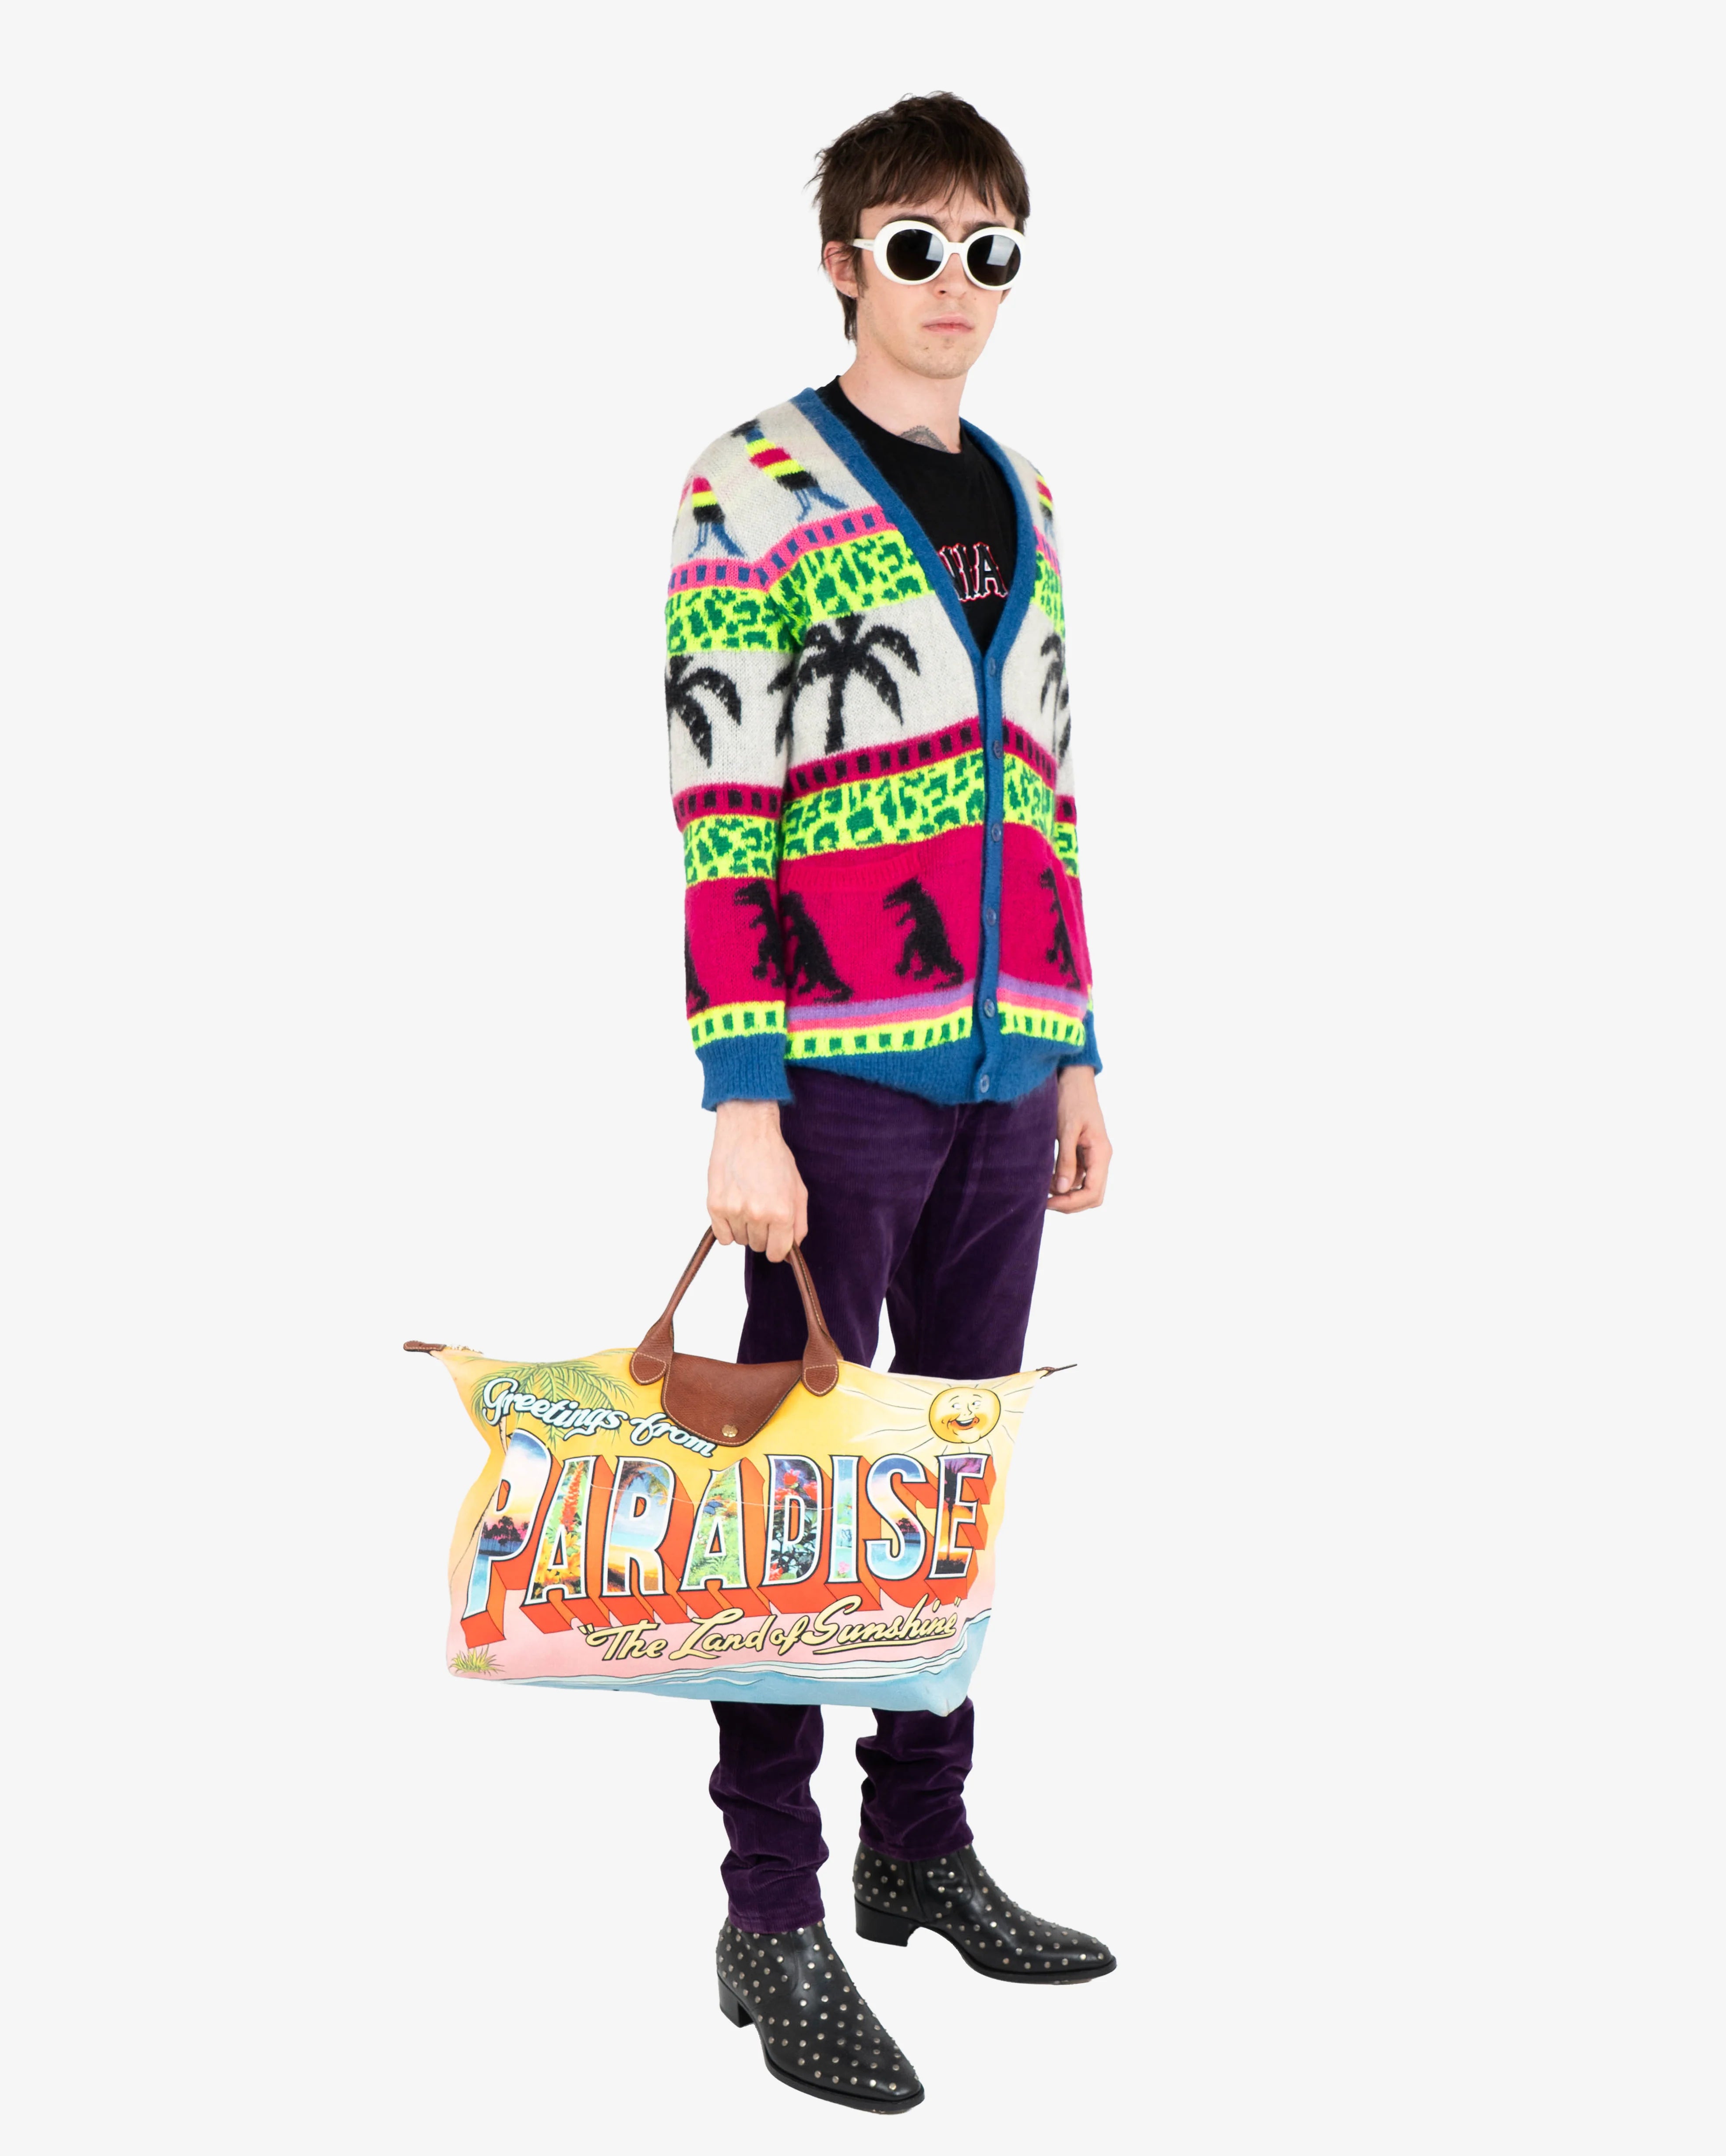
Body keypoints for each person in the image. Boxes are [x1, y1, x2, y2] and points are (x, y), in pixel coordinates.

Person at [666, 93, 1115, 2112]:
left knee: (950, 1478)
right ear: (844, 261)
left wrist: (1078, 1042)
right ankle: (771, 1912)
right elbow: (721, 801)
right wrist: (739, 1097)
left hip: (1007, 1081)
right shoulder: (750, 484)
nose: (956, 283)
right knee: (798, 1492)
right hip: (833, 1085)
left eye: (987, 249)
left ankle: (917, 1843)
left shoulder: (1024, 491)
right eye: (916, 244)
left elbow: (1047, 785)